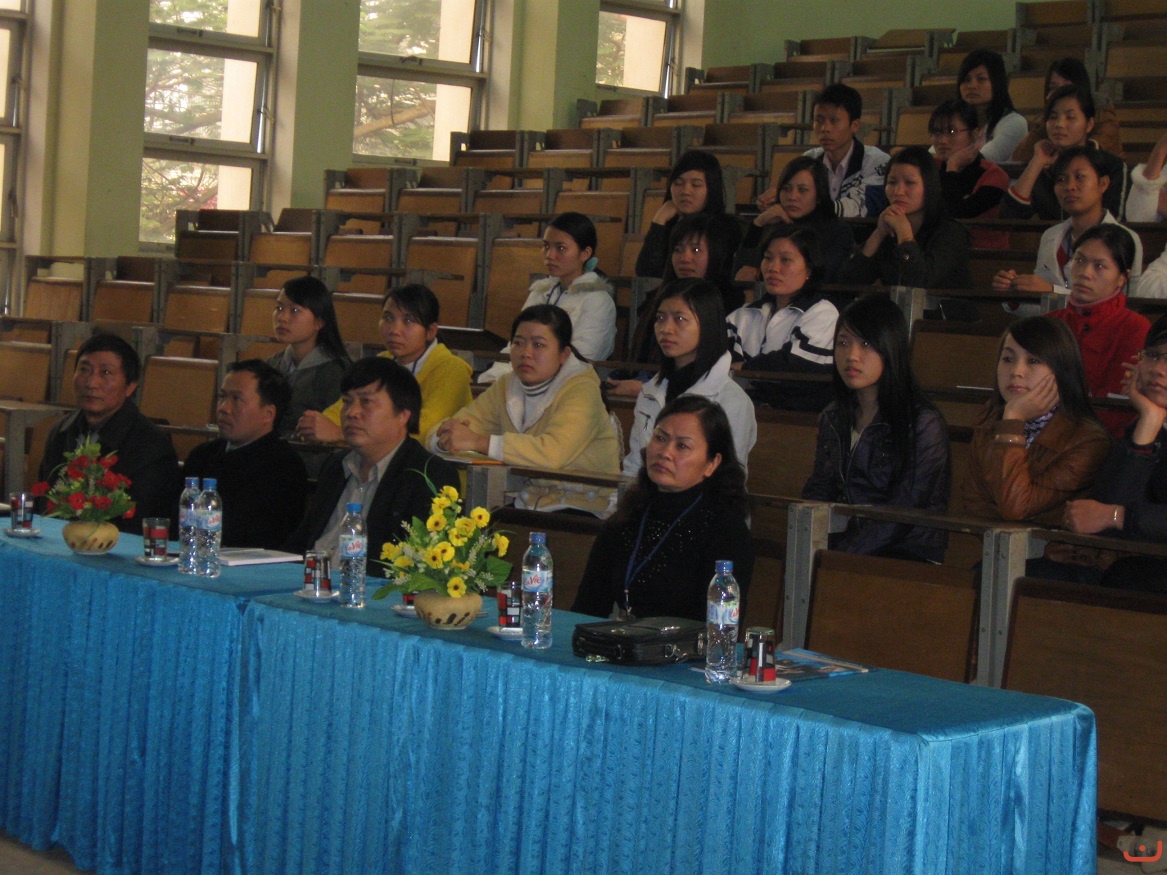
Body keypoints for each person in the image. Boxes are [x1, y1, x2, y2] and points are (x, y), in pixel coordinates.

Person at [572, 395, 754, 622]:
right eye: (660, 438)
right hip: (625, 640)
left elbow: (723, 628)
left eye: (682, 446)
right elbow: (585, 610)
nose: (665, 452)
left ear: (711, 463)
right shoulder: (627, 518)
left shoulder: (726, 531)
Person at [429, 304, 620, 513]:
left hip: (583, 507)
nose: (526, 353)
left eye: (538, 345)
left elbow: (551, 454)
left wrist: (478, 441)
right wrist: (446, 438)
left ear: (564, 354)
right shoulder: (506, 385)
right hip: (528, 503)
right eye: (518, 343)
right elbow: (459, 425)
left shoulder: (583, 390)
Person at [802, 294, 951, 563]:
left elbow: (903, 512)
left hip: (907, 555)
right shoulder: (833, 416)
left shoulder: (923, 422)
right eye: (843, 343)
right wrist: (807, 547)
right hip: (845, 546)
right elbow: (820, 489)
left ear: (890, 347)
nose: (851, 356)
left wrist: (838, 559)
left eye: (866, 344)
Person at [285, 357, 458, 570]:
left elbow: (416, 566)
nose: (351, 412)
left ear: (403, 415)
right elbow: (302, 542)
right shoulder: (337, 465)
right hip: (312, 581)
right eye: (347, 402)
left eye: (366, 402)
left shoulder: (428, 474)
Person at [961, 317, 1111, 526]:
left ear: (1061, 370)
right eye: (1008, 359)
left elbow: (1015, 508)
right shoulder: (990, 419)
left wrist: (1013, 422)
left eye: (1033, 361)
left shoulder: (1088, 441)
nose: (1016, 372)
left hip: (1050, 545)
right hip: (991, 541)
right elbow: (973, 504)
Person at [1058, 314, 1167, 591]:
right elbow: (1104, 506)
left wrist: (1118, 517)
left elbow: (1109, 513)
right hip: (1139, 564)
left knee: (1127, 578)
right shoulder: (1149, 426)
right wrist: (1149, 421)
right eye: (1153, 356)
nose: (1158, 369)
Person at [295, 284, 472, 445]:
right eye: (388, 318)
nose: (394, 330)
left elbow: (422, 429)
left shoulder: (452, 369)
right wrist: (316, 424)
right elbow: (341, 408)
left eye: (408, 321)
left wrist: (340, 433)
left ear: (431, 331)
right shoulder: (381, 362)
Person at [39, 333, 179, 532]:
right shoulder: (61, 431)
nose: (91, 383)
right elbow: (45, 501)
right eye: (84, 370)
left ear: (130, 386)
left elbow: (138, 522)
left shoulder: (151, 445)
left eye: (105, 373)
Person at [624, 279, 756, 478]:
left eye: (679, 319)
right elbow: (634, 468)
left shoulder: (731, 400)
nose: (666, 329)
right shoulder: (650, 391)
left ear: (708, 324)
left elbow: (727, 479)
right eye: (660, 318)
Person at [612, 211, 745, 397]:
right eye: (677, 249)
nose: (684, 258)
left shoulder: (729, 304)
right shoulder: (657, 299)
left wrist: (647, 388)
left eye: (696, 250)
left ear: (717, 254)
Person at [992, 147, 1144, 301]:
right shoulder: (1051, 236)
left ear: (1103, 184)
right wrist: (1016, 291)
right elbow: (1042, 306)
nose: (1070, 186)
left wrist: (1052, 292)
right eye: (1061, 179)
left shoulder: (1127, 238)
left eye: (1080, 177)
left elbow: (1124, 304)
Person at [184, 360, 307, 549]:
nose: (223, 408)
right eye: (222, 397)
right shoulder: (203, 455)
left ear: (268, 413)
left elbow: (258, 537)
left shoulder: (283, 467)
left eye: (236, 399)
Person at [480, 212, 616, 383]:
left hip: (568, 387)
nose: (550, 255)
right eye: (546, 246)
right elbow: (516, 345)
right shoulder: (540, 291)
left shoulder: (598, 301)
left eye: (561, 248)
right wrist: (495, 378)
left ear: (585, 253)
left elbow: (582, 360)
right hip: (522, 381)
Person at [727, 224, 838, 411]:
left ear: (810, 269)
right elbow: (719, 363)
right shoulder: (744, 314)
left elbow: (796, 367)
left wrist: (745, 369)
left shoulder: (823, 312)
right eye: (768, 258)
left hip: (796, 419)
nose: (773, 267)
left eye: (785, 260)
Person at [837, 146, 971, 289]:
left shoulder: (951, 232)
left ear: (929, 186)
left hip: (941, 304)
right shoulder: (889, 229)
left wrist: (905, 236)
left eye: (909, 183)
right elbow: (848, 284)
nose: (898, 191)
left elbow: (921, 284)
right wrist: (878, 234)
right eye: (892, 182)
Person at [1001, 84, 1129, 222]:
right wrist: (1037, 162)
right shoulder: (1043, 167)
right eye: (1053, 117)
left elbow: (1115, 223)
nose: (1059, 124)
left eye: (1070, 117)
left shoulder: (1112, 166)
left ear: (1089, 124)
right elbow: (1010, 218)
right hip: (1053, 236)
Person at [759, 83, 889, 218]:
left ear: (854, 125)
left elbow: (860, 207)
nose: (824, 128)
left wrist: (800, 205)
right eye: (819, 120)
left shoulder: (876, 162)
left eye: (834, 120)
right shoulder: (810, 160)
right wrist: (777, 200)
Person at [736, 155, 855, 282]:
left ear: (819, 195)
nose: (792, 197)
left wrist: (759, 275)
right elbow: (741, 274)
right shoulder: (774, 224)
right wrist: (758, 224)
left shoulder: (837, 231)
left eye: (802, 190)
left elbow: (825, 276)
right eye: (786, 189)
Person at [266, 275, 351, 437]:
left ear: (319, 321)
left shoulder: (336, 372)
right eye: (279, 308)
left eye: (295, 310)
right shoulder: (271, 364)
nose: (282, 318)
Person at [929, 98, 1009, 249]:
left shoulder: (993, 175)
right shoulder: (930, 168)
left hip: (983, 255)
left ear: (974, 134)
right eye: (936, 132)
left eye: (952, 132)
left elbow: (958, 215)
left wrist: (952, 167)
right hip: (937, 251)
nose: (942, 140)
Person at [1011, 57, 1124, 163]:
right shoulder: (1047, 121)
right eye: (1053, 88)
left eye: (1067, 87)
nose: (1059, 93)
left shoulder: (1103, 115)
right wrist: (1048, 119)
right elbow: (1019, 158)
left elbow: (1090, 155)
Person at [636, 150, 727, 278]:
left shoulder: (724, 230)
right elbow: (647, 274)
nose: (685, 191)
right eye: (678, 183)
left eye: (696, 185)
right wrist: (659, 221)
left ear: (711, 189)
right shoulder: (671, 226)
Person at [954, 48, 1029, 164]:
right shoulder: (956, 121)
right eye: (966, 79)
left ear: (997, 83)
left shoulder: (1015, 123)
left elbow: (981, 163)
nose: (972, 86)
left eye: (981, 79)